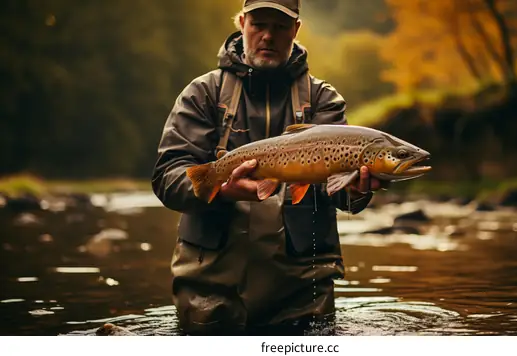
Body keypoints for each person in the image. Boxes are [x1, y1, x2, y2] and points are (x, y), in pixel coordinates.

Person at [151, 0, 384, 335]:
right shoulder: (203, 94)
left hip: (303, 298)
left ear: (296, 30)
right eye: (259, 24)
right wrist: (222, 191)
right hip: (211, 297)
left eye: (280, 26)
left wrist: (356, 192)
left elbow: (340, 194)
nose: (268, 36)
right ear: (242, 22)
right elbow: (168, 177)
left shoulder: (323, 101)